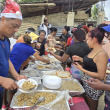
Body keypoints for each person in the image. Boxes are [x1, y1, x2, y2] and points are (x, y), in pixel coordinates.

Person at [72, 24, 109, 110]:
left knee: (92, 108)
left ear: (94, 39)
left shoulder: (101, 54)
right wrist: (81, 59)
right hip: (86, 84)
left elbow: (100, 75)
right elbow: (92, 63)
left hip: (93, 87)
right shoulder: (93, 50)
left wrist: (82, 69)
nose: (86, 41)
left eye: (88, 39)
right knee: (85, 106)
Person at [7, 34, 50, 106]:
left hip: (8, 65)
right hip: (12, 68)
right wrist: (46, 61)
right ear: (32, 43)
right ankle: (11, 104)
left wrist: (24, 61)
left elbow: (13, 53)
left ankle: (5, 103)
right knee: (12, 87)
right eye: (34, 43)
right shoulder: (30, 49)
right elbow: (39, 58)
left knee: (6, 85)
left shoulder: (18, 44)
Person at [0, 0, 27, 109]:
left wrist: (17, 76)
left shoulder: (6, 40)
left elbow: (7, 60)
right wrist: (1, 79)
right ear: (3, 19)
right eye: (14, 26)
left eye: (18, 28)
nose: (15, 30)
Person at [87, 24, 110, 110]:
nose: (108, 38)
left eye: (108, 34)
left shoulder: (102, 53)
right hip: (108, 96)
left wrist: (103, 86)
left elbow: (100, 75)